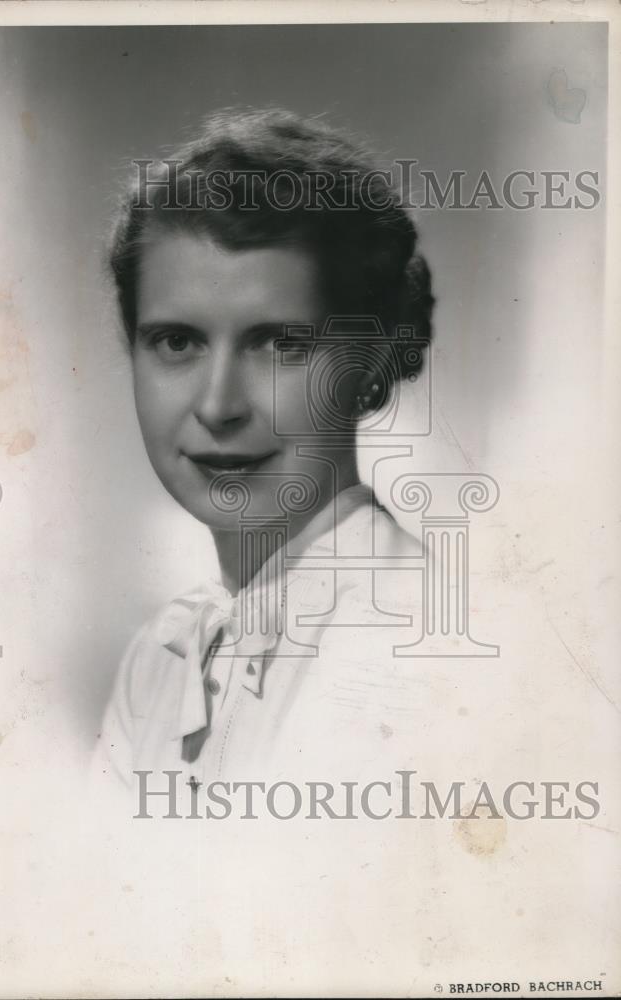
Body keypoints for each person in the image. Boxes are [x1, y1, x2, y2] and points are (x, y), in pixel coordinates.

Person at [91, 107, 437, 810]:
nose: (218, 405)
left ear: (366, 361)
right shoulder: (162, 654)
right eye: (177, 342)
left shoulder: (417, 638)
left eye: (279, 344)